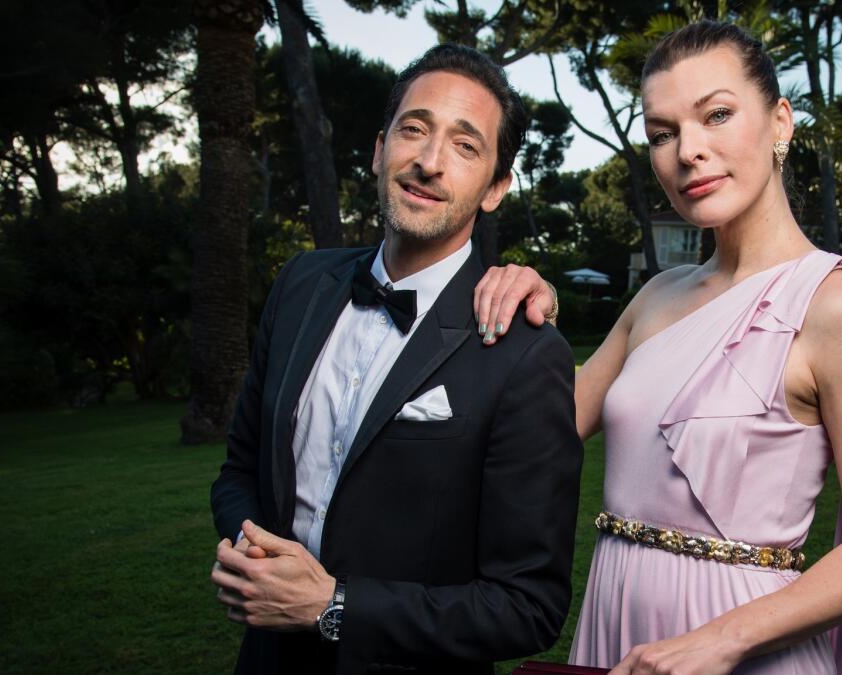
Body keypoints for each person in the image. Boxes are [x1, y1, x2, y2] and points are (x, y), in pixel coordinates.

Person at [474, 21, 842, 674]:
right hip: (617, 627)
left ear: (780, 123)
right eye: (662, 133)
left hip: (744, 649)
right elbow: (535, 432)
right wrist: (527, 304)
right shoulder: (656, 296)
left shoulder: (838, 305)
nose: (688, 151)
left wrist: (721, 639)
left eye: (716, 115)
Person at [208, 44, 583, 675]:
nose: (430, 162)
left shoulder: (526, 353)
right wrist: (260, 558)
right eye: (415, 129)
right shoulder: (300, 285)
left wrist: (331, 606)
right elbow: (239, 469)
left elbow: (529, 607)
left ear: (495, 188)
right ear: (381, 149)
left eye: (466, 146)